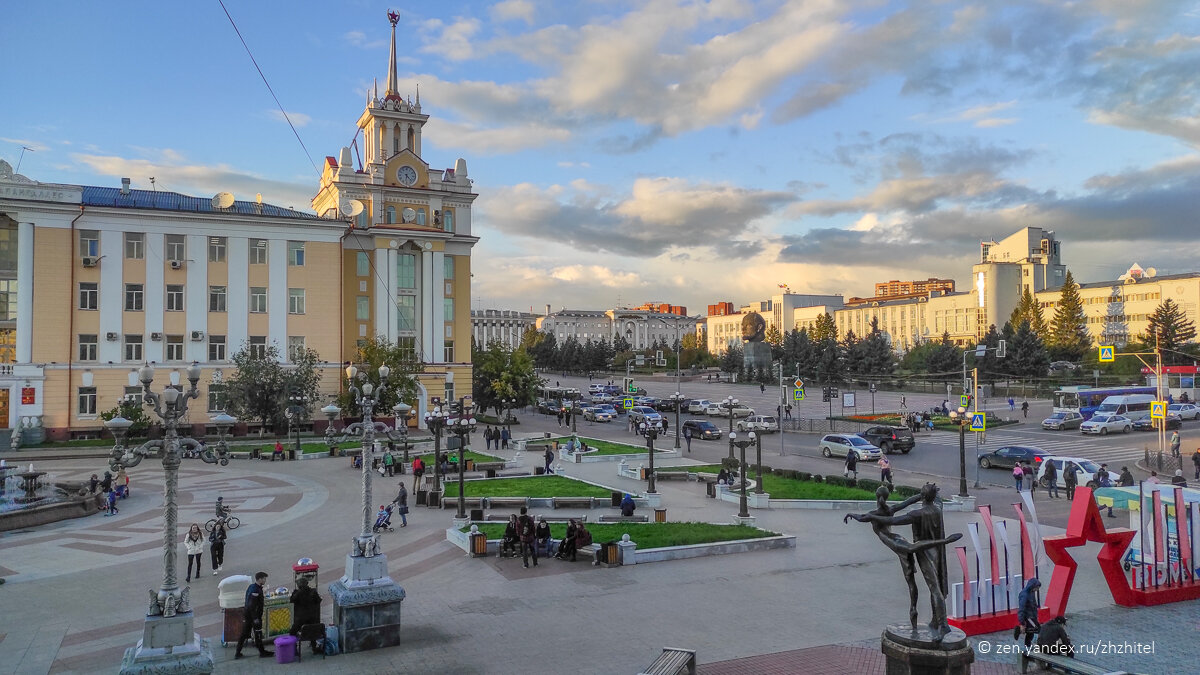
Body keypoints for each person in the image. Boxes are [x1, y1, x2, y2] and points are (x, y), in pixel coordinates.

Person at [235, 571, 273, 659]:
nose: (265, 580)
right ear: (259, 579)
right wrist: (255, 618)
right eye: (264, 578)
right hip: (252, 616)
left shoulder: (252, 587)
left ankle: (238, 652)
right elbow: (252, 605)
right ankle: (262, 652)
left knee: (244, 634)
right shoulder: (255, 590)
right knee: (257, 633)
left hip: (248, 615)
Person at [288, 576, 323, 655]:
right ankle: (314, 648)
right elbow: (319, 600)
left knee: (292, 632)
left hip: (300, 620)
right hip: (313, 619)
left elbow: (291, 600)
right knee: (313, 629)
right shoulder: (313, 592)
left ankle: (294, 650)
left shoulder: (297, 593)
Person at [1015, 578, 1042, 649]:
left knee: (1031, 632)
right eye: (1037, 588)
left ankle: (1028, 646)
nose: (1037, 590)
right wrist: (1021, 622)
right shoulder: (1024, 595)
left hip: (1032, 616)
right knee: (1037, 630)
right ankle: (1028, 646)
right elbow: (1021, 608)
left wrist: (1036, 617)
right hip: (1028, 616)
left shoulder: (1031, 592)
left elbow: (1034, 605)